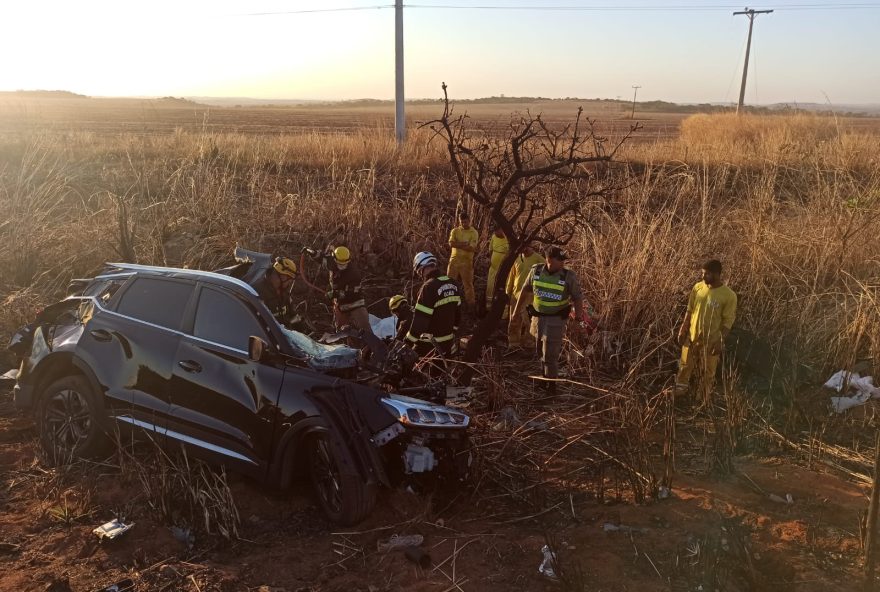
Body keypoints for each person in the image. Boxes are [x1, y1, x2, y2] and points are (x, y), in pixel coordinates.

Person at [512, 246, 586, 394]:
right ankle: (544, 379)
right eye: (561, 260)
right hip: (538, 318)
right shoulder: (536, 271)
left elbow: (578, 298)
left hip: (556, 320)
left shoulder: (568, 276)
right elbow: (525, 290)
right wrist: (515, 311)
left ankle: (552, 385)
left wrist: (578, 320)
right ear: (550, 260)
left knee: (550, 355)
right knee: (540, 351)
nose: (564, 263)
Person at [674, 259, 737, 403]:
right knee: (684, 365)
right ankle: (680, 391)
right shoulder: (697, 288)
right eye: (702, 273)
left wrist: (720, 342)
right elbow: (689, 310)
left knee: (708, 372)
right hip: (692, 336)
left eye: (707, 274)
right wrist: (683, 329)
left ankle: (702, 399)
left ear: (717, 274)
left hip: (711, 341)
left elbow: (728, 322)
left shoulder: (729, 296)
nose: (703, 277)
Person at [407, 251, 462, 358]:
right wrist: (452, 332)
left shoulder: (428, 287)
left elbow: (420, 321)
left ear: (423, 268)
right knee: (439, 373)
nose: (420, 275)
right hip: (448, 342)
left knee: (410, 366)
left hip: (430, 344)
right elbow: (458, 314)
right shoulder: (453, 283)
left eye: (419, 272)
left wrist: (407, 342)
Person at [323, 246, 373, 334]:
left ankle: (372, 346)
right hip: (341, 306)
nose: (342, 266)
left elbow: (352, 292)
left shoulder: (354, 273)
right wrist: (311, 252)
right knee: (341, 332)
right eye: (340, 263)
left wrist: (335, 294)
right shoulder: (332, 263)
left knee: (365, 330)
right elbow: (322, 259)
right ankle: (346, 346)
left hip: (356, 304)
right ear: (334, 259)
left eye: (344, 264)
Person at [506, 244, 545, 350]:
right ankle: (513, 343)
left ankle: (529, 344)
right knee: (514, 319)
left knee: (530, 322)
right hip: (516, 294)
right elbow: (512, 276)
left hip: (530, 296)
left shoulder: (539, 260)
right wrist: (508, 292)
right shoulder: (517, 258)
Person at [446, 212, 478, 311]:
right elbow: (451, 244)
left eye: (465, 222)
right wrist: (464, 244)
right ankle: (449, 305)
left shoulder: (474, 232)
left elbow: (472, 248)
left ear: (469, 220)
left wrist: (457, 244)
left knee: (468, 285)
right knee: (449, 283)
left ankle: (471, 307)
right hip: (453, 262)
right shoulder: (455, 231)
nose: (464, 224)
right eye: (462, 222)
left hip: (466, 263)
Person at [254, 256, 299, 327]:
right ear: (279, 276)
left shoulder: (284, 293)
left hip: (286, 335)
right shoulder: (258, 292)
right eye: (288, 278)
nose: (289, 282)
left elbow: (293, 316)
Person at [486, 227, 510, 312]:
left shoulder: (508, 239)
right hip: (493, 267)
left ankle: (504, 310)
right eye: (495, 231)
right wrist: (490, 259)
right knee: (490, 285)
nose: (496, 233)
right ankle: (488, 306)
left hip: (504, 269)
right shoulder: (493, 237)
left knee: (503, 286)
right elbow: (490, 249)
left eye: (497, 231)